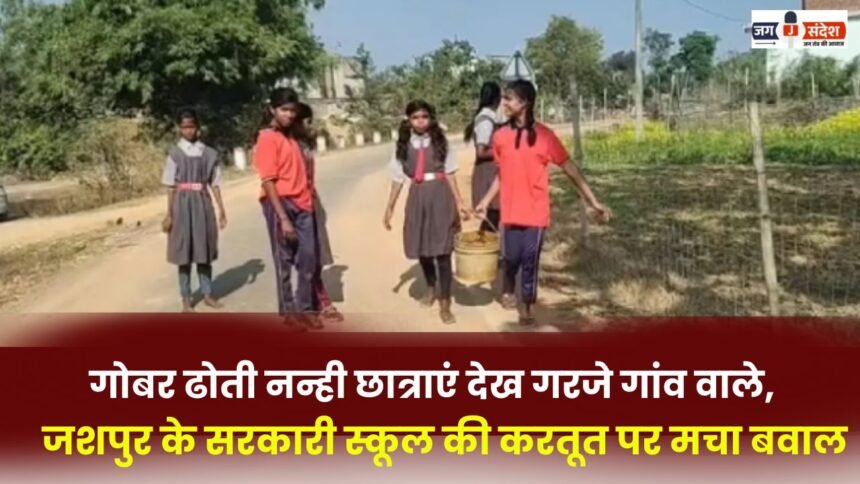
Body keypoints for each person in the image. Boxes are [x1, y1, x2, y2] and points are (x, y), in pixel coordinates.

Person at [475, 80, 612, 326]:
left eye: (509, 98)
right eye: (503, 98)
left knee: (530, 261)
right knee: (511, 258)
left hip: (536, 214)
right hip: (510, 211)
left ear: (524, 102)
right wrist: (485, 200)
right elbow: (502, 174)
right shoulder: (500, 137)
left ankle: (526, 304)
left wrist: (594, 201)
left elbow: (570, 168)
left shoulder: (545, 136)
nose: (503, 103)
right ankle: (508, 287)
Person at [383, 100, 469, 324]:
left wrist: (459, 202)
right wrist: (390, 206)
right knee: (422, 247)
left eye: (424, 117)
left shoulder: (441, 141)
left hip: (440, 195)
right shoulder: (403, 144)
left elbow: (450, 173)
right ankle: (431, 286)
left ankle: (445, 302)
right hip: (417, 197)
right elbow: (397, 178)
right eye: (415, 117)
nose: (420, 121)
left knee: (442, 250)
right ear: (408, 120)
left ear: (431, 118)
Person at [254, 88, 320, 330]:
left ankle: (306, 308)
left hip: (303, 203)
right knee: (283, 260)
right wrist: (283, 218)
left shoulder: (293, 139)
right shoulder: (267, 138)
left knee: (308, 258)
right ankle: (289, 309)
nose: (289, 115)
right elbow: (268, 180)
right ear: (272, 109)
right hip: (279, 204)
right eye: (284, 110)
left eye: (292, 110)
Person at [161, 108, 227, 313]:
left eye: (191, 126)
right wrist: (169, 214)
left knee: (203, 251)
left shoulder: (208, 153)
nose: (188, 131)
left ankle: (207, 294)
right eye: (184, 127)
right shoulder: (174, 154)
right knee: (184, 253)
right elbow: (171, 186)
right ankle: (186, 298)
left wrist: (221, 210)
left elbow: (215, 184)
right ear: (179, 129)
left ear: (198, 127)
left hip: (202, 203)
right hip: (181, 205)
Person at [293, 102, 344, 324]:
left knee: (316, 253)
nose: (310, 125)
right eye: (306, 121)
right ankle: (315, 302)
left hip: (311, 201)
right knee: (306, 256)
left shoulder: (304, 144)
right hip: (295, 204)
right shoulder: (287, 145)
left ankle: (315, 300)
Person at [464, 81, 502, 234]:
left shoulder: (491, 117)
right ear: (497, 99)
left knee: (496, 216)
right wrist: (503, 152)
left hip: (492, 170)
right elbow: (480, 151)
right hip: (488, 172)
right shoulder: (486, 120)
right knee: (493, 215)